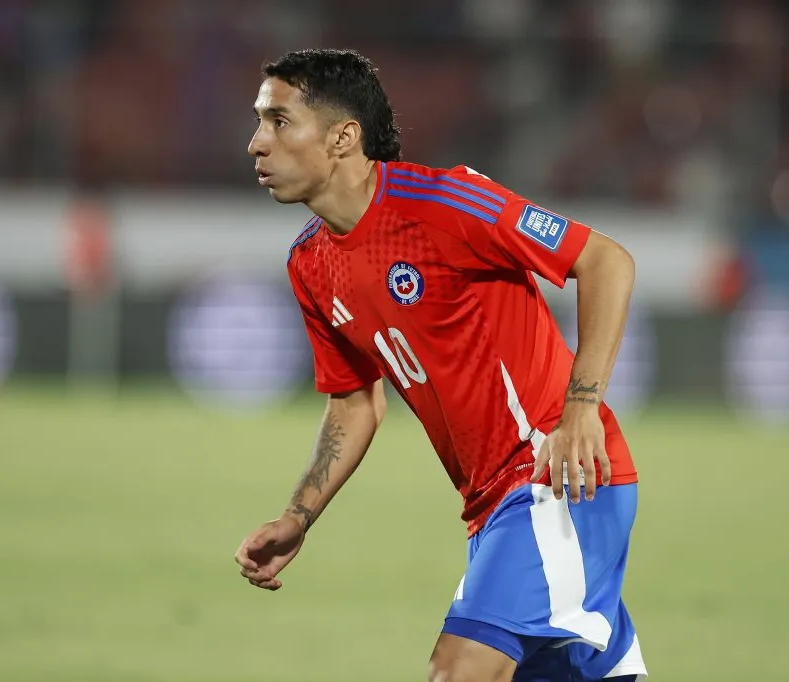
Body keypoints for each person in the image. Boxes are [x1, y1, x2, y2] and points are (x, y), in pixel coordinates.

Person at [236, 48, 647, 682]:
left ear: (344, 137)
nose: (257, 144)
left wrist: (581, 406)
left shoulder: (444, 203)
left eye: (279, 121)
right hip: (491, 509)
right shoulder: (311, 263)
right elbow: (353, 402)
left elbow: (606, 261)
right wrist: (299, 515)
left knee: (456, 673)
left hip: (555, 478)